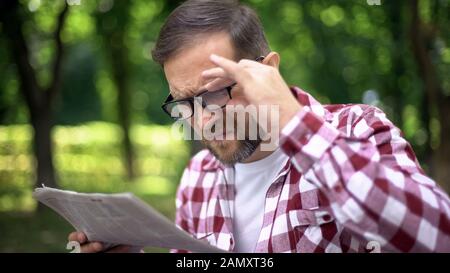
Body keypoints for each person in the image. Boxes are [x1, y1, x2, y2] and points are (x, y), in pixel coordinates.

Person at [68, 0, 450, 253]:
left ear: (267, 70)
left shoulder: (358, 130)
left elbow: (437, 235)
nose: (203, 119)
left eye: (215, 92)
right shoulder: (198, 176)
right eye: (184, 102)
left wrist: (296, 123)